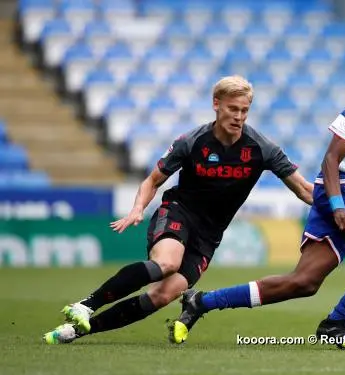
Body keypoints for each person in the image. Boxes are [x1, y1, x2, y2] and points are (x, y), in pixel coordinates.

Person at [167, 37, 345, 350]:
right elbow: (331, 160)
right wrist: (336, 205)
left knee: (303, 282)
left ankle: (202, 302)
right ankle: (337, 322)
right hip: (340, 185)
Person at [43, 75, 314, 344]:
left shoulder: (262, 148)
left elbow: (304, 190)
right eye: (233, 109)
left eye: (244, 110)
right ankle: (86, 305)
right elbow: (153, 180)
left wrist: (341, 205)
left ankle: (77, 331)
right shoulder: (192, 141)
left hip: (208, 236)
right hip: (178, 212)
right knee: (167, 263)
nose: (239, 116)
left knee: (162, 296)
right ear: (216, 104)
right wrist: (137, 209)